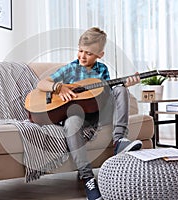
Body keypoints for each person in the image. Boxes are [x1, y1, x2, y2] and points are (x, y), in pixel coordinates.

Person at [36, 27, 142, 200]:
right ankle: (87, 178)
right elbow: (42, 83)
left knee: (120, 89)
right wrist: (58, 87)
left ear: (100, 54)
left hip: (98, 113)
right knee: (70, 124)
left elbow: (107, 93)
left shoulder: (102, 70)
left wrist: (124, 85)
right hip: (77, 115)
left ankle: (119, 141)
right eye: (80, 51)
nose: (83, 56)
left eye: (89, 53)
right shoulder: (70, 69)